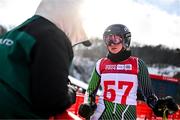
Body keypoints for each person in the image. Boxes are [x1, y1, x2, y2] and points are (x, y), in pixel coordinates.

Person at [0, 0, 87, 119]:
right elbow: (53, 101)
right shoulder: (52, 37)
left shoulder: (14, 33)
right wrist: (71, 92)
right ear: (71, 21)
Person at [78, 24, 178, 120]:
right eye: (108, 40)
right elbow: (90, 91)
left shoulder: (138, 64)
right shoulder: (101, 64)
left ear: (126, 40)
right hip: (100, 116)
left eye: (116, 39)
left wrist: (158, 105)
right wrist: (87, 104)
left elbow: (149, 95)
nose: (112, 43)